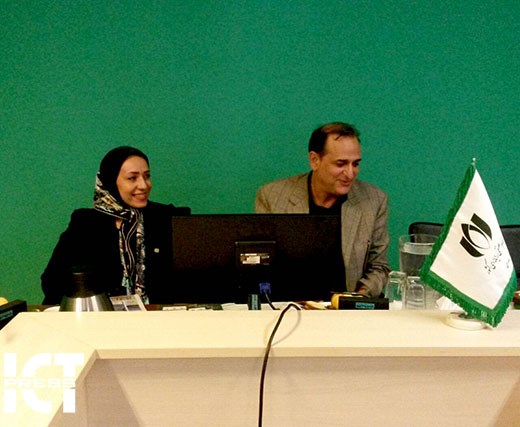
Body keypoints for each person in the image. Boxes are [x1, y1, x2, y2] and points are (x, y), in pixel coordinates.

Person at [255, 122, 390, 297]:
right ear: (315, 160)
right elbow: (261, 264)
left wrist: (356, 298)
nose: (350, 173)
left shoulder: (374, 200)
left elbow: (379, 267)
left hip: (349, 307)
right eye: (341, 164)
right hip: (289, 305)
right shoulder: (272, 197)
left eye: (355, 164)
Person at [41, 146, 187, 305]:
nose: (144, 185)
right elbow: (53, 281)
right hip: (102, 316)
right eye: (132, 178)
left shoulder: (166, 217)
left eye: (147, 176)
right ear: (111, 181)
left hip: (160, 316)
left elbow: (190, 279)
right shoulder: (86, 223)